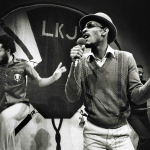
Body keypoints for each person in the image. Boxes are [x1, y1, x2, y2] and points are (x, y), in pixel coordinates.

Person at [65, 12, 150, 150]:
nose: (84, 30)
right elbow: (72, 96)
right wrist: (74, 64)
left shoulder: (126, 58)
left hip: (121, 135)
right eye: (83, 29)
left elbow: (137, 98)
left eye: (90, 26)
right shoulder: (82, 62)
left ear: (104, 31)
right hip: (93, 135)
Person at [0, 34, 66, 150]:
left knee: (5, 117)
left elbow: (40, 82)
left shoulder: (24, 64)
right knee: (11, 134)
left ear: (8, 50)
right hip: (2, 106)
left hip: (20, 105)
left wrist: (53, 77)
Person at [128, 65, 150, 150]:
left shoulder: (145, 84)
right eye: (139, 72)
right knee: (146, 137)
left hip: (143, 115)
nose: (141, 74)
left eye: (142, 73)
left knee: (148, 139)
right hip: (133, 116)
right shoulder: (128, 85)